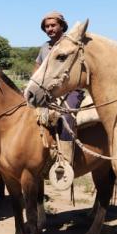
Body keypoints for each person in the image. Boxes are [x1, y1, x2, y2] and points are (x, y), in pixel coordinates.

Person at [34, 11, 80, 165]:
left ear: (62, 26)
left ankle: (65, 159)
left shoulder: (69, 44)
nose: (50, 29)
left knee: (66, 117)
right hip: (48, 92)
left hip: (70, 89)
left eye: (53, 25)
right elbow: (38, 68)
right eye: (47, 26)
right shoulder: (44, 47)